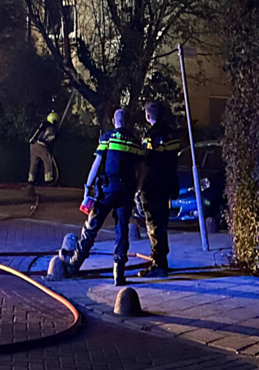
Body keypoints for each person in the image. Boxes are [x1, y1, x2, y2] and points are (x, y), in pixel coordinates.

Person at [63, 109, 145, 286]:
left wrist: (87, 187)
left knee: (92, 225)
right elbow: (142, 171)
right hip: (126, 192)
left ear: (114, 121)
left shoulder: (107, 138)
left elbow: (97, 163)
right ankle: (118, 273)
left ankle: (75, 263)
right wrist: (135, 191)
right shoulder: (136, 143)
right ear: (128, 122)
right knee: (122, 231)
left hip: (107, 189)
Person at [136, 102, 181, 278]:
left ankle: (158, 263)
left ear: (148, 116)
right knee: (162, 223)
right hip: (167, 183)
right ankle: (162, 259)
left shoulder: (150, 136)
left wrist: (138, 188)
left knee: (153, 224)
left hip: (152, 185)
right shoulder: (172, 134)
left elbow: (146, 163)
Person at [27, 111, 59, 187]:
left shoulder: (41, 125)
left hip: (32, 145)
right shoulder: (50, 127)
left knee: (34, 162)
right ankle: (48, 179)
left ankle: (31, 179)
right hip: (40, 145)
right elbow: (47, 137)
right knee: (47, 160)